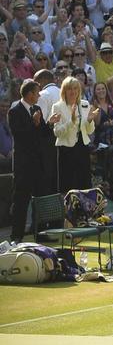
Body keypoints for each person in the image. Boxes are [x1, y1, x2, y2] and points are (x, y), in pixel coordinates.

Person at [7, 80, 50, 241]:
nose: (39, 95)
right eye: (37, 92)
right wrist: (34, 123)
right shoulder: (15, 111)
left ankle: (40, 233)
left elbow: (44, 133)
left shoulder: (37, 109)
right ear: (30, 94)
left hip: (38, 163)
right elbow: (20, 135)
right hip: (23, 165)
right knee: (21, 201)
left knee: (40, 199)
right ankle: (16, 236)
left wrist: (49, 123)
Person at [50, 76, 98, 193]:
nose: (73, 92)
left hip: (82, 146)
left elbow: (90, 131)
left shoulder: (85, 104)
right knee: (68, 183)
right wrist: (71, 122)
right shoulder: (57, 106)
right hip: (66, 149)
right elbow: (57, 132)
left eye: (75, 88)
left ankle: (86, 209)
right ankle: (68, 210)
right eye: (70, 89)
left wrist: (90, 120)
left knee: (84, 181)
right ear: (64, 91)